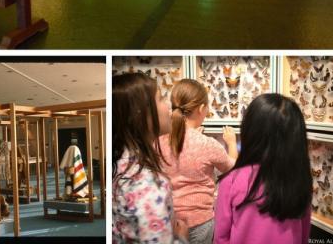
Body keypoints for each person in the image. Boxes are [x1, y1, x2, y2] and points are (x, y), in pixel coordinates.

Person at [214, 94, 312, 244]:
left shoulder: (231, 181)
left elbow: (221, 238)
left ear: (250, 131)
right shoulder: (300, 179)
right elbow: (304, 234)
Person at [160, 79, 238, 244]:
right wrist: (231, 143)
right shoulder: (207, 144)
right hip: (200, 223)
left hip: (168, 220)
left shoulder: (158, 142)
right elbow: (233, 169)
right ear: (202, 108)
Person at [113, 72, 187, 243]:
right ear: (141, 113)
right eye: (160, 99)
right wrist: (181, 238)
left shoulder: (121, 162)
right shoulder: (146, 184)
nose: (168, 104)